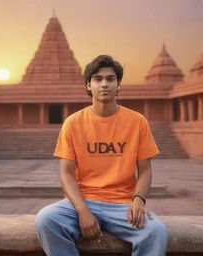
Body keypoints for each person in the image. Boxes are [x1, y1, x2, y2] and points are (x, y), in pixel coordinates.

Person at [35, 55, 168, 256]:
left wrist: (138, 200)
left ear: (118, 85)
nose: (104, 84)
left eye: (110, 79)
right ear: (89, 86)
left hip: (123, 204)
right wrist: (82, 211)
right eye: (98, 79)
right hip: (82, 200)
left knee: (156, 232)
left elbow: (145, 170)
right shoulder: (73, 123)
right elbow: (66, 174)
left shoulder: (137, 121)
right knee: (46, 219)